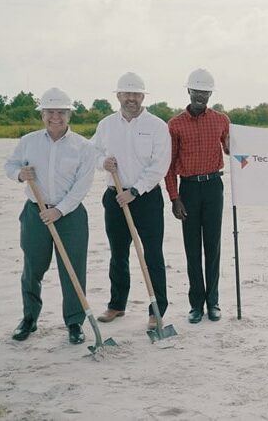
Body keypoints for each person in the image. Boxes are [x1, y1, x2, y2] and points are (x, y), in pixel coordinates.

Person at [4, 87, 96, 344]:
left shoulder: (84, 147)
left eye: (61, 112)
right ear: (42, 114)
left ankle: (75, 322)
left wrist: (59, 210)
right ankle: (29, 319)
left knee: (73, 270)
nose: (56, 117)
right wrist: (20, 175)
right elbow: (10, 166)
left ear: (69, 115)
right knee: (33, 268)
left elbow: (82, 185)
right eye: (50, 112)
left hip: (70, 214)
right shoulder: (28, 141)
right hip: (35, 213)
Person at [92, 72, 172, 330]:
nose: (131, 99)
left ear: (143, 96)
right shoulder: (106, 125)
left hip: (146, 198)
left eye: (136, 94)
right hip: (114, 197)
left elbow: (160, 165)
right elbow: (91, 154)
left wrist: (135, 191)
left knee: (153, 254)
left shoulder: (157, 126)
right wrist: (102, 163)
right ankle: (117, 304)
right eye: (127, 94)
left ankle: (156, 308)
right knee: (118, 253)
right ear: (118, 96)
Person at [164, 68, 230, 324]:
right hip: (188, 190)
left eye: (205, 91)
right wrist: (174, 197)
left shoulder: (221, 120)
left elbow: (230, 149)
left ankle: (213, 302)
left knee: (213, 247)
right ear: (188, 90)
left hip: (214, 187)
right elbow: (169, 165)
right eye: (196, 90)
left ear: (210, 93)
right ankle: (196, 305)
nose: (200, 95)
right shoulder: (175, 124)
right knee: (192, 248)